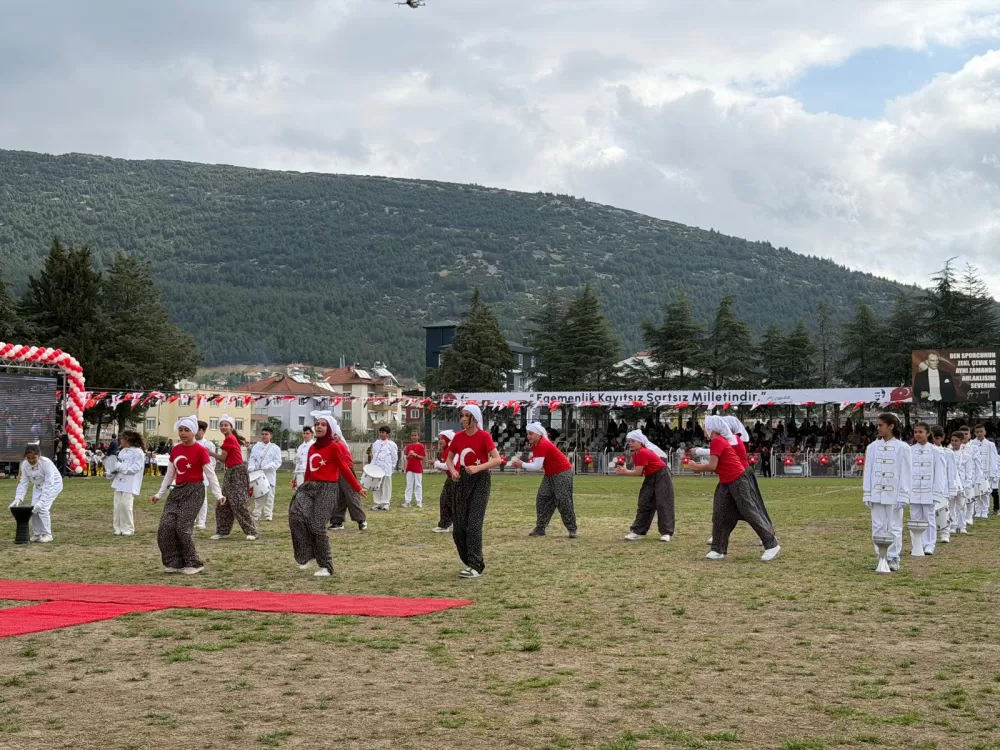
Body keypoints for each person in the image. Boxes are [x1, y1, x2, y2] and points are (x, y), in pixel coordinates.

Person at [689, 415, 780, 562]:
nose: (703, 430)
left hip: (737, 479)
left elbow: (712, 466)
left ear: (711, 429)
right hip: (727, 481)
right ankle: (718, 549)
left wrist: (695, 467)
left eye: (705, 427)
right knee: (720, 513)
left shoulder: (718, 441)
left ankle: (771, 544)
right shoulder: (718, 441)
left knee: (749, 511)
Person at [289, 411, 367, 576]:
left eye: (323, 424)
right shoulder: (312, 448)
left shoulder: (334, 446)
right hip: (310, 487)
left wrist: (357, 487)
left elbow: (344, 468)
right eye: (317, 424)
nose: (319, 426)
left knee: (317, 526)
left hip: (328, 489)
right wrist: (301, 485)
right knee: (296, 516)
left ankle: (326, 566)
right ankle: (307, 554)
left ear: (329, 428)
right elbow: (310, 470)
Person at [150, 416, 226, 574]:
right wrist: (159, 494)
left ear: (194, 432)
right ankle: (174, 562)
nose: (183, 433)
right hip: (177, 491)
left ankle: (194, 563)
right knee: (165, 526)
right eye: (181, 430)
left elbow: (210, 474)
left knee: (182, 528)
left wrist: (218, 495)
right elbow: (170, 474)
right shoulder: (176, 449)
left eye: (187, 430)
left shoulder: (201, 450)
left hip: (195, 491)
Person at [446, 405, 502, 578]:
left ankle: (476, 566)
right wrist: (454, 471)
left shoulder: (484, 436)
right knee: (459, 527)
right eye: (461, 415)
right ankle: (469, 562)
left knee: (474, 525)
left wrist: (478, 468)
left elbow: (497, 459)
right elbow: (449, 459)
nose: (463, 419)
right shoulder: (458, 437)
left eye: (467, 416)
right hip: (462, 479)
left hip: (480, 480)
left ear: (475, 418)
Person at [861, 413, 911, 572]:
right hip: (876, 493)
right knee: (877, 526)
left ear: (891, 426)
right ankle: (881, 556)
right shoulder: (872, 447)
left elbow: (906, 473)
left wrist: (903, 494)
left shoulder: (903, 448)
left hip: (894, 494)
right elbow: (868, 471)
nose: (878, 428)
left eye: (881, 425)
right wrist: (867, 493)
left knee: (894, 526)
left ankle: (894, 557)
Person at [513, 422, 578, 538]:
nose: (528, 436)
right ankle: (540, 528)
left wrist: (521, 464)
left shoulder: (542, 444)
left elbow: (537, 466)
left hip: (562, 473)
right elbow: (538, 463)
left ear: (538, 434)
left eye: (531, 433)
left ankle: (572, 528)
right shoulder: (536, 444)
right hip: (550, 474)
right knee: (542, 498)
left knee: (563, 500)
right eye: (528, 433)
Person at [617, 429, 675, 542]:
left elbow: (638, 472)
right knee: (644, 502)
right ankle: (638, 531)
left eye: (633, 441)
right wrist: (627, 471)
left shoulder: (643, 452)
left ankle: (666, 532)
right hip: (651, 476)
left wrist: (625, 472)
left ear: (640, 442)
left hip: (662, 475)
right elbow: (641, 472)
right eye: (629, 441)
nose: (630, 443)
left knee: (663, 503)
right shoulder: (636, 455)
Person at [208, 414, 258, 541]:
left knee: (239, 503)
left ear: (231, 427)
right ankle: (223, 531)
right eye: (222, 425)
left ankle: (252, 530)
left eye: (226, 425)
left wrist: (209, 453)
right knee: (224, 503)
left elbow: (222, 458)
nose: (223, 427)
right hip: (231, 472)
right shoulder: (230, 438)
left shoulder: (229, 439)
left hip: (237, 472)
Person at [9, 444, 63, 543]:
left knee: (42, 508)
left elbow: (48, 483)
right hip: (38, 486)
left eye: (34, 457)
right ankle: (37, 534)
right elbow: (24, 482)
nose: (31, 460)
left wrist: (42, 501)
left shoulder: (46, 463)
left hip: (53, 484)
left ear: (39, 455)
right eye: (28, 458)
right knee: (33, 508)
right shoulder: (24, 465)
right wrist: (18, 498)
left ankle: (47, 534)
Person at [908, 422, 945, 555]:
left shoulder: (935, 450)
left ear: (928, 433)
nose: (917, 434)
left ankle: (930, 544)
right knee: (915, 518)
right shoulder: (910, 450)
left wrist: (936, 491)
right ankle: (917, 544)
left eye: (920, 432)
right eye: (915, 432)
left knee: (929, 517)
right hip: (914, 490)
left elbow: (939, 472)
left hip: (929, 490)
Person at [328, 420, 368, 532]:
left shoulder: (339, 444)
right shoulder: (333, 444)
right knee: (338, 496)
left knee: (351, 495)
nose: (333, 436)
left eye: (335, 434)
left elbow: (343, 463)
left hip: (345, 470)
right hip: (336, 471)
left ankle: (361, 520)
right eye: (331, 434)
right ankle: (337, 521)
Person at [109, 431, 145, 536]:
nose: (120, 441)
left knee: (126, 505)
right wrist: (112, 470)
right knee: (117, 505)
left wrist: (121, 468)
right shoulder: (122, 451)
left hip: (130, 482)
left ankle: (128, 528)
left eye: (122, 439)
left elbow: (136, 468)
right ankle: (118, 527)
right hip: (119, 481)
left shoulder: (138, 452)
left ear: (127, 440)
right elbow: (118, 464)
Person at [931, 425, 960, 545]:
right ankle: (931, 533)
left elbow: (952, 472)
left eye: (937, 438)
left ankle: (945, 533)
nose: (935, 441)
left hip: (944, 487)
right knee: (930, 511)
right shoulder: (928, 451)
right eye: (933, 438)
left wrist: (952, 488)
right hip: (930, 486)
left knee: (944, 510)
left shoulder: (947, 453)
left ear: (942, 438)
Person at [249, 426, 283, 522]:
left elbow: (277, 461)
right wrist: (251, 466)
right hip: (258, 473)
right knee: (258, 494)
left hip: (269, 474)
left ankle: (268, 514)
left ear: (270, 436)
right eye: (263, 434)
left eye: (266, 434)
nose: (264, 436)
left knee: (270, 494)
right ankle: (257, 513)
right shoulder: (256, 446)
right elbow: (252, 458)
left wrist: (268, 466)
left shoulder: (275, 448)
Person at [970, 424, 998, 520]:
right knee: (976, 492)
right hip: (975, 472)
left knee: (986, 492)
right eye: (977, 432)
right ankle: (978, 510)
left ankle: (985, 510)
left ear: (985, 432)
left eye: (981, 431)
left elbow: (994, 459)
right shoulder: (971, 444)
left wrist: (994, 473)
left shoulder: (990, 444)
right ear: (974, 433)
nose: (979, 433)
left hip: (986, 471)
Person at [431, 429, 456, 533]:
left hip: (455, 478)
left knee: (446, 501)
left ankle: (445, 524)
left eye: (442, 438)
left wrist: (436, 463)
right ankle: (446, 523)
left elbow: (449, 466)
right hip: (451, 478)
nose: (440, 440)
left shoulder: (451, 449)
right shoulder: (446, 449)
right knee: (447, 501)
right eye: (440, 438)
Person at [194, 421, 217, 531]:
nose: (196, 432)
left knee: (202, 499)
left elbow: (212, 462)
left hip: (203, 474)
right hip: (191, 475)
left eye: (198, 430)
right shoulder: (190, 442)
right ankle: (191, 519)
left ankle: (202, 521)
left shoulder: (208, 445)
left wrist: (207, 473)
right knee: (190, 499)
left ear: (203, 431)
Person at [369, 426, 398, 511]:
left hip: (386, 468)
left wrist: (391, 468)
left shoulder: (392, 444)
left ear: (387, 434)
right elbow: (374, 455)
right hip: (377, 468)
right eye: (380, 432)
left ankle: (385, 503)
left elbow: (394, 458)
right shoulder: (375, 443)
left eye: (383, 432)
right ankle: (377, 503)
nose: (381, 434)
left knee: (386, 485)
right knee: (376, 485)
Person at [949, 430, 972, 536]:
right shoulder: (947, 453)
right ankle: (952, 525)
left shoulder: (966, 455)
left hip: (962, 483)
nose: (954, 443)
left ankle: (962, 525)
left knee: (962, 505)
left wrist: (967, 484)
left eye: (956, 441)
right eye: (952, 440)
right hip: (951, 483)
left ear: (961, 441)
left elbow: (969, 471)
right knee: (951, 506)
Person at [402, 429, 426, 508]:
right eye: (412, 435)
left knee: (418, 485)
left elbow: (422, 457)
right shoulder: (409, 446)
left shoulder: (421, 446)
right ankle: (407, 501)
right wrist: (409, 455)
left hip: (418, 468)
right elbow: (407, 457)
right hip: (409, 468)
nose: (414, 437)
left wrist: (415, 455)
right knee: (409, 485)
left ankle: (419, 501)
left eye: (415, 435)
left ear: (418, 436)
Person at [292, 426, 315, 491]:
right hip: (300, 471)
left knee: (309, 491)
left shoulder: (314, 445)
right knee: (299, 491)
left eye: (307, 433)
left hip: (309, 472)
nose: (305, 435)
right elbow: (297, 460)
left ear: (312, 434)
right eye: (304, 433)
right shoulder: (300, 446)